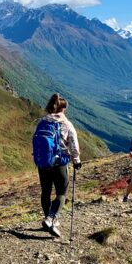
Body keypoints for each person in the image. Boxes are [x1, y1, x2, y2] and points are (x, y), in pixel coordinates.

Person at [36, 93, 81, 238]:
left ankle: (48, 219)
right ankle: (51, 219)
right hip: (59, 162)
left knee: (46, 191)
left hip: (43, 162)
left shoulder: (42, 122)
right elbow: (73, 143)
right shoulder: (66, 124)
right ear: (63, 109)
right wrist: (76, 160)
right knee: (61, 192)